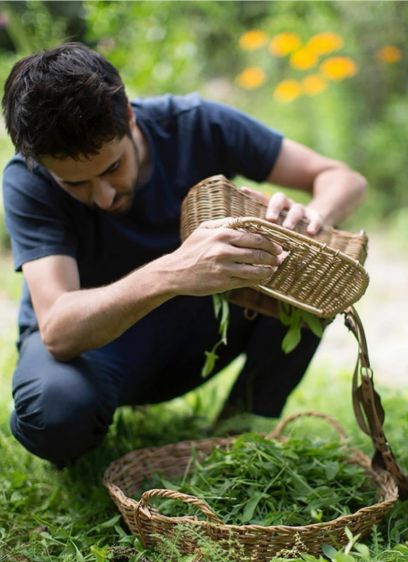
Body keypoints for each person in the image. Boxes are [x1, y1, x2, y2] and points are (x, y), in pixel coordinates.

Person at [1, 42, 367, 467]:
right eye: (76, 185)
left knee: (310, 273)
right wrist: (173, 271)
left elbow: (343, 178)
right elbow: (59, 329)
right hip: (99, 348)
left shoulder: (195, 124)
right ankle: (84, 423)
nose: (102, 197)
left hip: (201, 331)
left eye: (111, 168)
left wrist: (312, 219)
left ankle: (239, 436)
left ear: (131, 118)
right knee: (54, 413)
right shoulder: (27, 181)